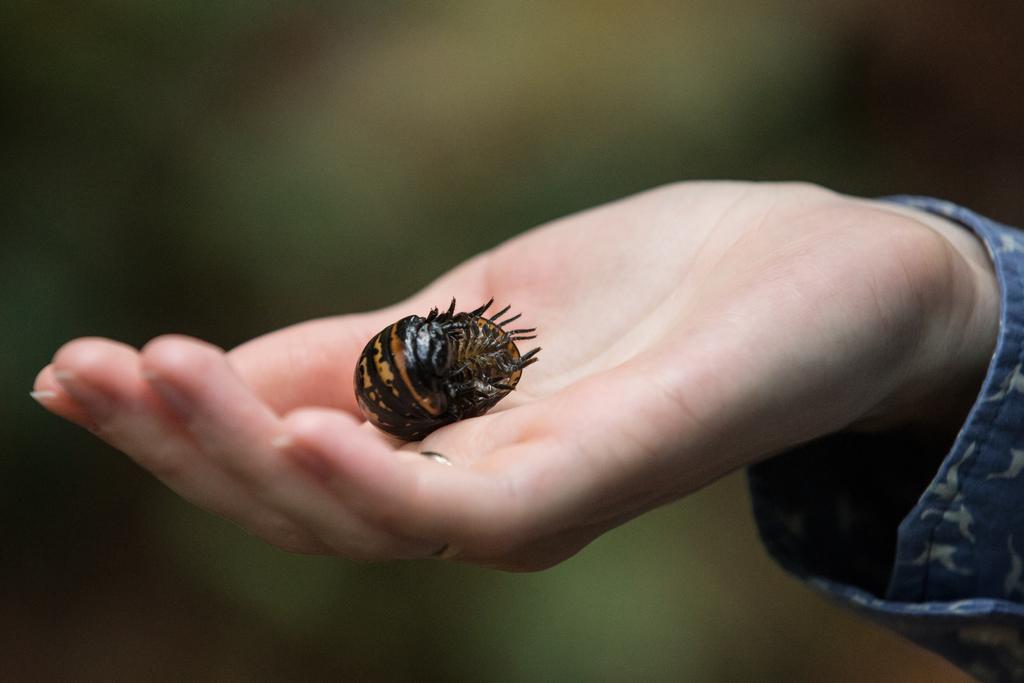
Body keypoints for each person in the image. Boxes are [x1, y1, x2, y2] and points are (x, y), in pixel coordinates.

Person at [30, 182, 1023, 680]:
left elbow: (459, 357)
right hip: (415, 368)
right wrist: (957, 322)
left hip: (423, 362)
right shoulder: (446, 365)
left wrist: (947, 317)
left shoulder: (461, 354)